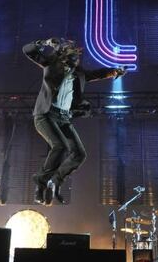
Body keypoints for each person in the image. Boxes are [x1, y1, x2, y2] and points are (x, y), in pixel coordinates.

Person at [23, 37, 127, 206]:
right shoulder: (50, 65)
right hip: (45, 115)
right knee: (60, 146)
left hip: (64, 118)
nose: (75, 61)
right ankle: (40, 184)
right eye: (72, 57)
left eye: (77, 58)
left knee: (79, 154)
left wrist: (115, 71)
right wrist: (43, 43)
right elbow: (28, 50)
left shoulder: (79, 74)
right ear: (63, 56)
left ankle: (56, 181)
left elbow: (98, 74)